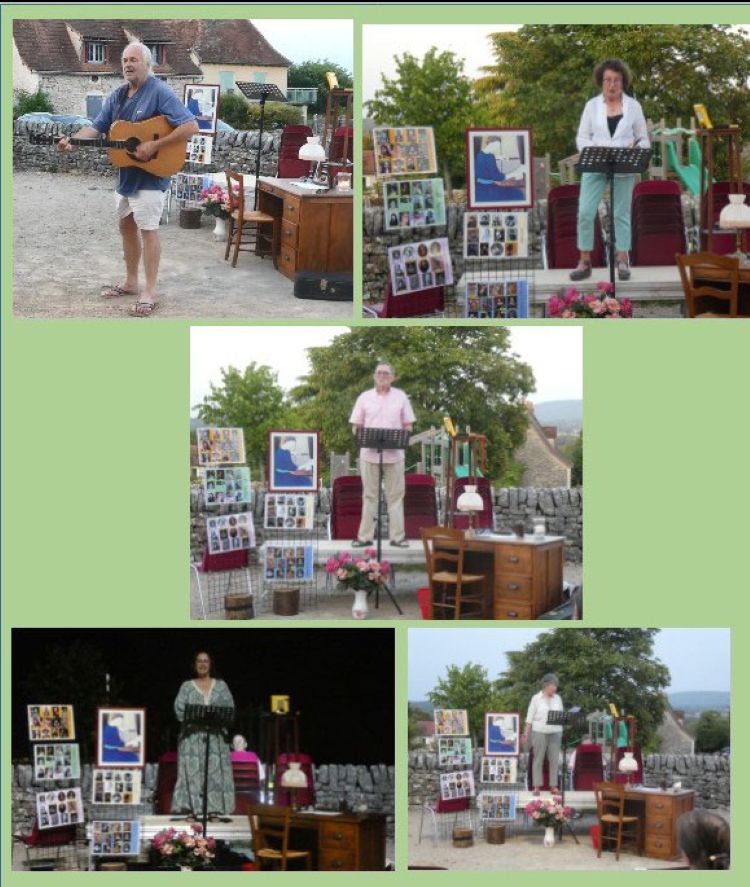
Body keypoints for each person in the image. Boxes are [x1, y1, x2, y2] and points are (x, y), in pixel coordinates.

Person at [57, 42, 199, 316]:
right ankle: (131, 282)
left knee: (148, 230)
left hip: (151, 177)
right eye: (124, 60)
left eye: (133, 59)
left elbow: (190, 126)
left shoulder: (159, 91)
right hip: (126, 177)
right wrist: (72, 142)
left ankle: (149, 291)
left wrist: (155, 146)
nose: (127, 64)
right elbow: (97, 128)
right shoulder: (118, 96)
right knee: (125, 227)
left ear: (147, 64)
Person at [570, 58, 650, 282]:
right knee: (585, 211)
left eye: (616, 80)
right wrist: (595, 149)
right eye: (607, 80)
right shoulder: (591, 106)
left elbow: (643, 139)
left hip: (623, 165)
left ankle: (623, 260)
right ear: (601, 82)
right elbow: (582, 137)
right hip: (596, 163)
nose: (612, 84)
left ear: (623, 81)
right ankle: (584, 261)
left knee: (620, 213)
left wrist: (633, 149)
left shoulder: (634, 106)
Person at [349, 362, 416, 548]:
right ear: (374, 376)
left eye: (386, 373)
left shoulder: (401, 397)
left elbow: (408, 425)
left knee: (395, 497)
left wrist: (403, 435)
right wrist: (361, 435)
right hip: (369, 455)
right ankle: (365, 537)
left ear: (392, 377)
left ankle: (397, 538)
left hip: (395, 455)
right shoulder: (364, 397)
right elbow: (356, 425)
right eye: (379, 373)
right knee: (369, 496)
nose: (382, 376)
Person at [172, 651, 235, 819]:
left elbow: (230, 709)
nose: (202, 664)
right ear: (194, 664)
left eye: (205, 661)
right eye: (199, 661)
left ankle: (214, 809)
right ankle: (193, 809)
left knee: (214, 773)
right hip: (192, 738)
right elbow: (179, 709)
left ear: (210, 664)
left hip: (215, 738)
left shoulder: (221, 686)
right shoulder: (186, 686)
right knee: (193, 773)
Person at [522, 673, 564, 793]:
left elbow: (561, 715)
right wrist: (525, 734)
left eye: (556, 685)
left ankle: (553, 786)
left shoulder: (558, 698)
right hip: (539, 732)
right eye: (553, 685)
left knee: (554, 759)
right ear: (546, 685)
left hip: (555, 732)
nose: (555, 688)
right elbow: (529, 718)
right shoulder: (536, 698)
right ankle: (536, 786)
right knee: (538, 759)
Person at [473, 138, 526, 204]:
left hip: (480, 186)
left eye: (497, 147)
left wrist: (499, 157)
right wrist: (517, 172)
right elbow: (497, 177)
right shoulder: (490, 157)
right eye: (494, 145)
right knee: (517, 194)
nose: (495, 148)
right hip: (487, 189)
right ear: (489, 143)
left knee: (515, 192)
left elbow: (485, 160)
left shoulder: (479, 154)